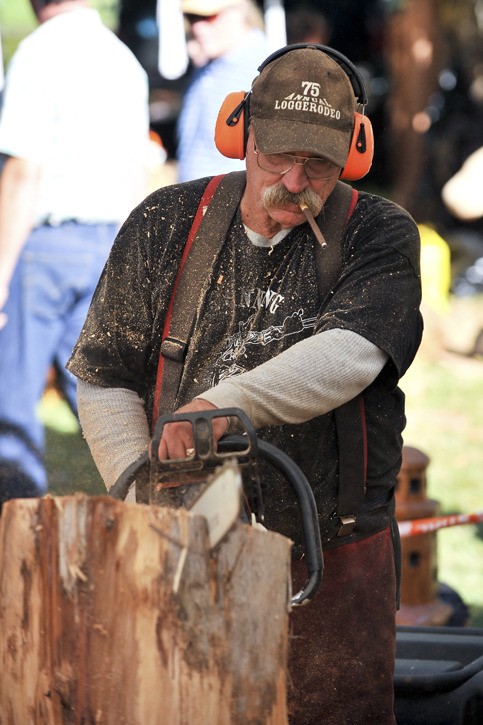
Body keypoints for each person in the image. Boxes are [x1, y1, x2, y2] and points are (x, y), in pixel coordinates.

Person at [68, 45, 423, 723]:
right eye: (276, 156)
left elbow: (351, 353)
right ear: (240, 135)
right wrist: (142, 491)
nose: (294, 180)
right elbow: (105, 375)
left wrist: (219, 405)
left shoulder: (379, 234)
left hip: (330, 555)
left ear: (353, 150)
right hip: (182, 548)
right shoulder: (165, 222)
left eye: (317, 163)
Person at [0, 0, 150, 506]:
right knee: (96, 389)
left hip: (45, 244)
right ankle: (150, 500)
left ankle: (16, 530)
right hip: (110, 239)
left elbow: (23, 171)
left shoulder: (39, 54)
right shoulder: (122, 58)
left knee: (11, 400)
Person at [176, 0, 268, 182]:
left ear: (240, 10)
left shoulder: (267, 71)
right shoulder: (209, 62)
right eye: (192, 17)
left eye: (209, 16)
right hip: (196, 201)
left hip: (231, 203)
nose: (198, 27)